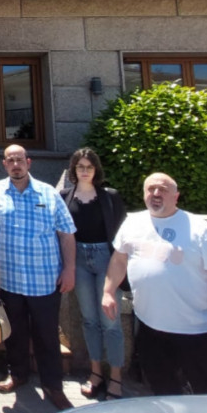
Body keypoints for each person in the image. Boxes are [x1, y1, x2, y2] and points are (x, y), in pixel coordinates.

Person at [102, 173, 207, 396]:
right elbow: (119, 259)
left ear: (176, 196)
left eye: (163, 189)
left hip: (197, 333)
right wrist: (108, 291)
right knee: (164, 394)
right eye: (150, 189)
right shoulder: (132, 223)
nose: (156, 193)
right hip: (150, 331)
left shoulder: (201, 230)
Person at [0, 145, 76, 410]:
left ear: (28, 162)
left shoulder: (49, 193)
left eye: (19, 160)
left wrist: (69, 269)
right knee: (14, 333)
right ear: (4, 164)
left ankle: (53, 386)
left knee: (47, 335)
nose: (15, 165)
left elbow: (66, 234)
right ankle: (18, 374)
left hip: (44, 281)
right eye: (10, 160)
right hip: (8, 281)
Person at [60, 148, 128, 400]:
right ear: (74, 170)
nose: (85, 171)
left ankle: (116, 377)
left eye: (89, 167)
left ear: (96, 169)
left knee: (110, 321)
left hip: (106, 259)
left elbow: (122, 233)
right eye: (80, 167)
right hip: (78, 258)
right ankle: (96, 372)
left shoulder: (110, 197)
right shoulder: (65, 196)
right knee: (89, 319)